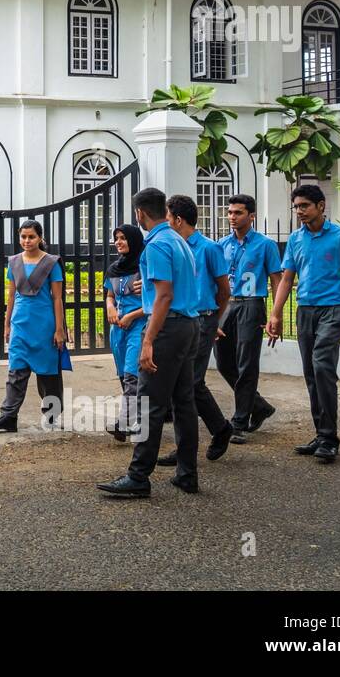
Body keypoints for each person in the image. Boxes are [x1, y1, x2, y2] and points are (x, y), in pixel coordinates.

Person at [97, 187, 201, 498]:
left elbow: (164, 296)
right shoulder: (178, 241)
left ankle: (138, 476)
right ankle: (187, 473)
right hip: (189, 325)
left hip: (168, 328)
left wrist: (148, 340)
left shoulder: (156, 246)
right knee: (184, 403)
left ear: (140, 214)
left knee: (149, 403)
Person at [267, 184, 340, 463]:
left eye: (305, 206)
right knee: (311, 372)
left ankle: (329, 437)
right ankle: (321, 433)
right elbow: (287, 279)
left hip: (333, 309)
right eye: (296, 207)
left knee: (322, 365)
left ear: (320, 206)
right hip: (305, 311)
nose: (300, 211)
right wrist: (276, 314)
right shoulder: (295, 239)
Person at [156, 194, 235, 466]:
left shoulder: (209, 248)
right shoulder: (174, 247)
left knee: (188, 383)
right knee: (186, 383)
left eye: (167, 217)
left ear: (178, 220)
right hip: (185, 321)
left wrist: (215, 320)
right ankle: (217, 430)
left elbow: (224, 289)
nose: (165, 223)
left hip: (203, 319)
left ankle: (212, 433)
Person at [0, 220, 68, 432]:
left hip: (44, 325)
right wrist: (6, 325)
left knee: (48, 373)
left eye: (31, 236)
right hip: (20, 324)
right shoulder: (13, 262)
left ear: (40, 238)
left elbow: (57, 298)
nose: (27, 241)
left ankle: (51, 414)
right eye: (23, 237)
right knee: (16, 371)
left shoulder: (51, 262)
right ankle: (8, 416)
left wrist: (59, 330)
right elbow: (11, 295)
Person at [215, 193, 281, 442]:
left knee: (247, 363)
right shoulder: (221, 245)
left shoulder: (265, 245)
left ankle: (240, 421)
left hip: (251, 305)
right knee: (223, 363)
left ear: (251, 216)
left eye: (238, 212)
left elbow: (277, 279)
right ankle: (260, 406)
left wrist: (276, 314)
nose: (232, 217)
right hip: (225, 306)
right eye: (230, 212)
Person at [103, 225, 146, 440]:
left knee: (132, 375)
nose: (119, 242)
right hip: (117, 329)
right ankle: (138, 418)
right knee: (123, 375)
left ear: (134, 240)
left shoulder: (144, 266)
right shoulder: (114, 268)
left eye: (123, 238)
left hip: (138, 325)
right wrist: (110, 307)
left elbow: (155, 301)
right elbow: (110, 295)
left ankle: (123, 423)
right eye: (116, 238)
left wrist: (131, 316)